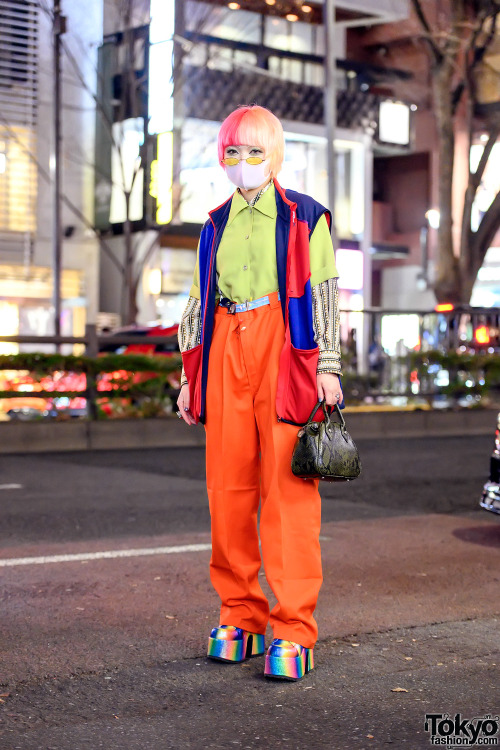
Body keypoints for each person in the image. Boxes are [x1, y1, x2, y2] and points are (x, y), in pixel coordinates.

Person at [176, 105, 342, 681]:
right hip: (225, 342)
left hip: (283, 345)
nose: (242, 162)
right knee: (228, 488)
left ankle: (293, 628)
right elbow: (198, 299)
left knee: (288, 490)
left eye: (253, 151)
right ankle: (239, 615)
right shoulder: (214, 223)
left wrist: (329, 365)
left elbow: (323, 293)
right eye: (232, 152)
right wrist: (188, 376)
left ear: (275, 156)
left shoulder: (304, 217)